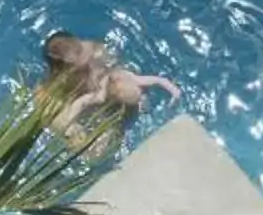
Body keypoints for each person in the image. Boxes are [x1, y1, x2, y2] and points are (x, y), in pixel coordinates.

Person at [38, 30, 178, 154]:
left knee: (125, 94)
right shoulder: (62, 80)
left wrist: (106, 83)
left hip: (106, 86)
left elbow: (111, 66)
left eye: (80, 49)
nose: (84, 54)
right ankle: (93, 140)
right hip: (88, 93)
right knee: (69, 127)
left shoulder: (94, 51)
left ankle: (112, 128)